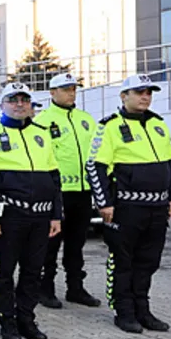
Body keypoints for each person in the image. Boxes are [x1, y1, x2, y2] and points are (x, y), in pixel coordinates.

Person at [87, 74, 171, 333]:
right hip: (127, 208)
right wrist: (104, 203)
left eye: (149, 92)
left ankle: (143, 309)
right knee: (123, 261)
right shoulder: (109, 127)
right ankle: (124, 311)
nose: (145, 97)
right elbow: (95, 167)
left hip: (157, 208)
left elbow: (169, 165)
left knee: (148, 261)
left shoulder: (158, 124)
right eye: (139, 92)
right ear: (124, 96)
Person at [0, 82, 60, 339]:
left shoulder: (42, 134)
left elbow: (54, 178)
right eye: (13, 99)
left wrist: (56, 215)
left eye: (24, 100)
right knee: (5, 272)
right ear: (2, 105)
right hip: (10, 217)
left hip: (41, 218)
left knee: (33, 271)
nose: (20, 104)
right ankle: (6, 319)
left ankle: (26, 318)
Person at [34, 73, 101, 308]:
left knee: (76, 243)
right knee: (51, 244)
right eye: (65, 89)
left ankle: (75, 288)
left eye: (74, 88)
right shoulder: (42, 121)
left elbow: (96, 153)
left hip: (83, 192)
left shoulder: (86, 120)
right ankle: (45, 288)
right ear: (52, 92)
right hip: (57, 193)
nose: (71, 92)